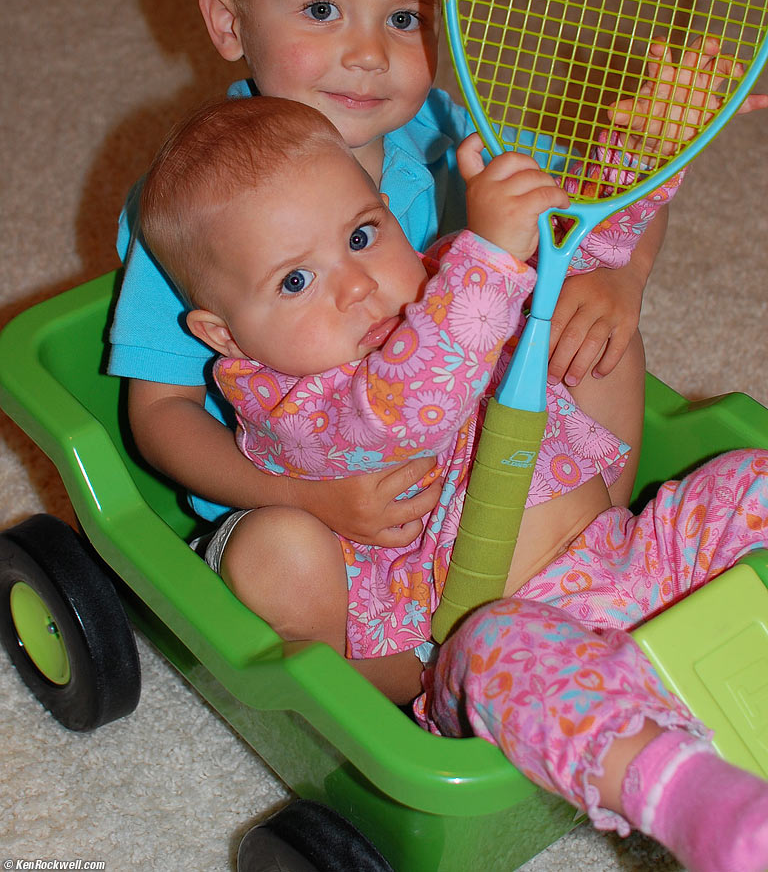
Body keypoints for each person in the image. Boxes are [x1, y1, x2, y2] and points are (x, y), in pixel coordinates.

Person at [139, 94, 768, 872]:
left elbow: (575, 253)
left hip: (626, 557)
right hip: (477, 643)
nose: (357, 286)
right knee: (508, 657)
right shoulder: (289, 403)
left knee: (746, 479)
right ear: (226, 334)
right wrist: (489, 256)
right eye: (295, 281)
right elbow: (403, 405)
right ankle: (700, 804)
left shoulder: (446, 280)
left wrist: (642, 151)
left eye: (364, 235)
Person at [107, 0, 667, 565]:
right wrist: (308, 498)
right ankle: (354, 672)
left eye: (404, 18)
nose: (369, 54)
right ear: (228, 23)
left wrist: (620, 278)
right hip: (308, 501)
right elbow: (161, 415)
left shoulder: (448, 140)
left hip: (456, 469)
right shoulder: (198, 208)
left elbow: (612, 198)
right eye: (320, 10)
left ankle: (599, 558)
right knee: (280, 556)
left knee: (597, 335)